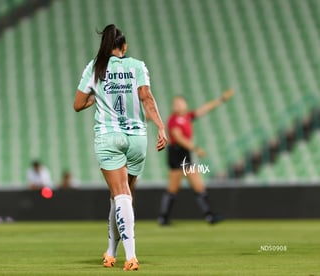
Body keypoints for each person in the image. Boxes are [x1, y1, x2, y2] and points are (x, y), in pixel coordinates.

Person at [74, 24, 167, 271]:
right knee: (124, 194)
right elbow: (146, 97)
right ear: (124, 47)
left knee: (120, 194)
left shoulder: (96, 67)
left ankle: (131, 256)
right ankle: (111, 252)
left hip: (109, 137)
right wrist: (160, 127)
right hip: (137, 138)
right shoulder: (137, 66)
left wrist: (96, 98)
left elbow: (77, 103)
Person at [158, 89, 234, 225]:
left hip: (184, 153)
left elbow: (205, 109)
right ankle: (164, 218)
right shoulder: (173, 120)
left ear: (185, 104)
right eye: (175, 103)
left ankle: (209, 215)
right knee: (173, 188)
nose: (177, 105)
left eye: (180, 103)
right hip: (177, 153)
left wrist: (221, 99)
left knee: (198, 185)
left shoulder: (187, 116)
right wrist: (195, 148)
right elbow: (177, 137)